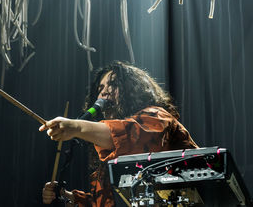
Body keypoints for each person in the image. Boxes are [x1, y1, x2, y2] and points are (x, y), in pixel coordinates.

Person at [39, 61, 198, 207]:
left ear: (132, 89)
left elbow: (129, 134)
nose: (104, 93)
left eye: (113, 85)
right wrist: (67, 197)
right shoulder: (109, 153)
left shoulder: (157, 117)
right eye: (100, 89)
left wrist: (76, 126)